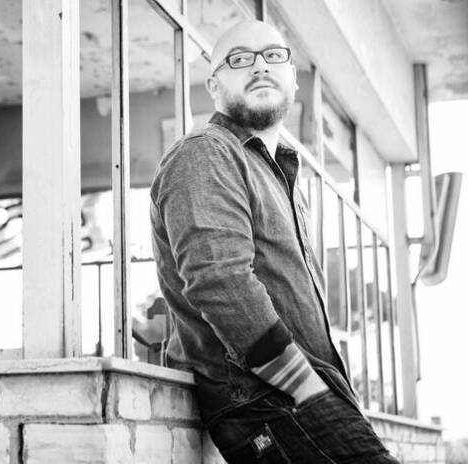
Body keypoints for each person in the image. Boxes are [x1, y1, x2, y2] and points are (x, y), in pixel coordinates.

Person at [149, 20, 399, 463]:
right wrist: (307, 388)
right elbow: (221, 282)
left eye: (272, 55)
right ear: (213, 85)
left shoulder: (282, 173)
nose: (260, 66)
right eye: (240, 59)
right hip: (269, 398)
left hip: (304, 396)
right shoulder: (205, 152)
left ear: (293, 77)